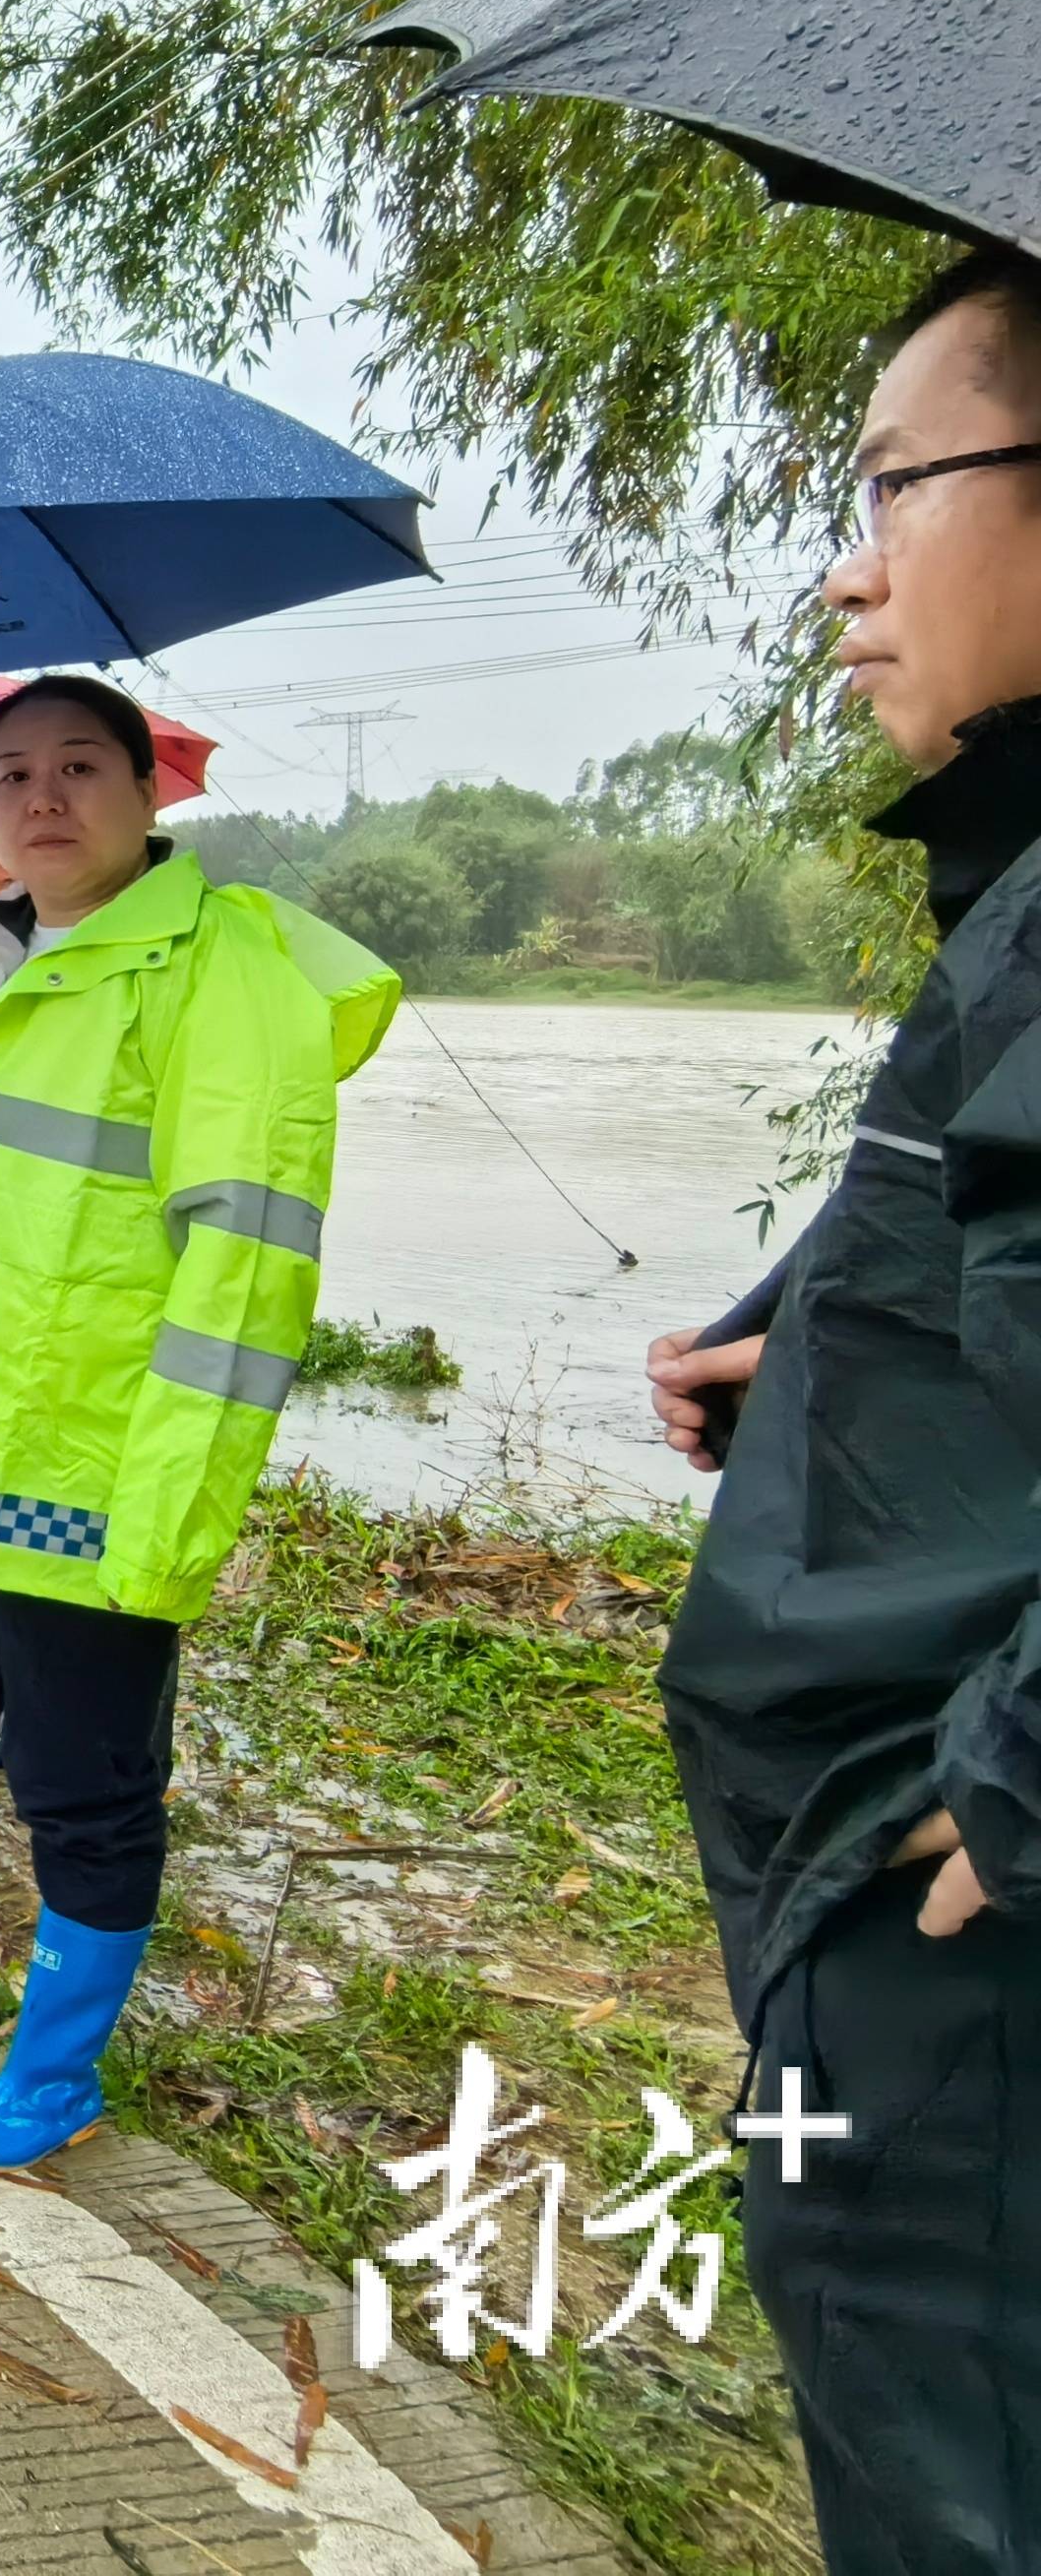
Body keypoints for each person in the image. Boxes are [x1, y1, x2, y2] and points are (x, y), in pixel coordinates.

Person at [0, 677, 397, 2171]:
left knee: (83, 1783)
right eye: (12, 773)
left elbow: (245, 1259)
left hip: (82, 1474)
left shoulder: (218, 972)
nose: (44, 797)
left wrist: (171, 1514)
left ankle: (54, 2075)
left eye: (80, 767)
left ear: (151, 789)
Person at [651, 245, 1041, 2576]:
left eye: (901, 477)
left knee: (949, 2436)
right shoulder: (1012, 882)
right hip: (871, 1873)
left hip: (954, 1907)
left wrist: (1014, 1781)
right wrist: (834, 1322)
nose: (845, 562)